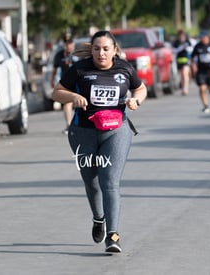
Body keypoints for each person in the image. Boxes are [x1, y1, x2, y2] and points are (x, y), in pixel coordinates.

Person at [52, 30, 147, 253]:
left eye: (106, 49)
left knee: (109, 181)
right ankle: (98, 218)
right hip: (83, 132)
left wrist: (136, 101)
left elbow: (141, 88)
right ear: (92, 50)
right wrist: (73, 97)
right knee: (92, 182)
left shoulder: (124, 68)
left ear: (114, 50)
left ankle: (113, 235)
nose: (101, 53)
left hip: (116, 131)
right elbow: (56, 92)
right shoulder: (80, 69)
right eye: (96, 49)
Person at [50, 34, 77, 134]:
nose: (68, 46)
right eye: (66, 44)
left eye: (70, 43)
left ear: (73, 44)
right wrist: (52, 81)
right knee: (67, 103)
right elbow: (54, 69)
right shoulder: (59, 55)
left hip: (79, 82)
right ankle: (68, 125)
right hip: (66, 83)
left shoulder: (78, 55)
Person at [191, 30, 210, 113]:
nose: (202, 39)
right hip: (201, 70)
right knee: (202, 88)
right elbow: (193, 57)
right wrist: (193, 65)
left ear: (207, 37)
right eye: (201, 37)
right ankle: (205, 105)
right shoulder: (198, 46)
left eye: (203, 37)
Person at [172, 29, 192, 95]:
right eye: (180, 35)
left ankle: (185, 88)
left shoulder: (187, 41)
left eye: (182, 35)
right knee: (181, 76)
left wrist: (186, 48)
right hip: (179, 61)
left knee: (184, 74)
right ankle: (183, 87)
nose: (181, 37)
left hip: (186, 60)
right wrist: (180, 48)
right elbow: (174, 51)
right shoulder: (176, 42)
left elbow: (191, 49)